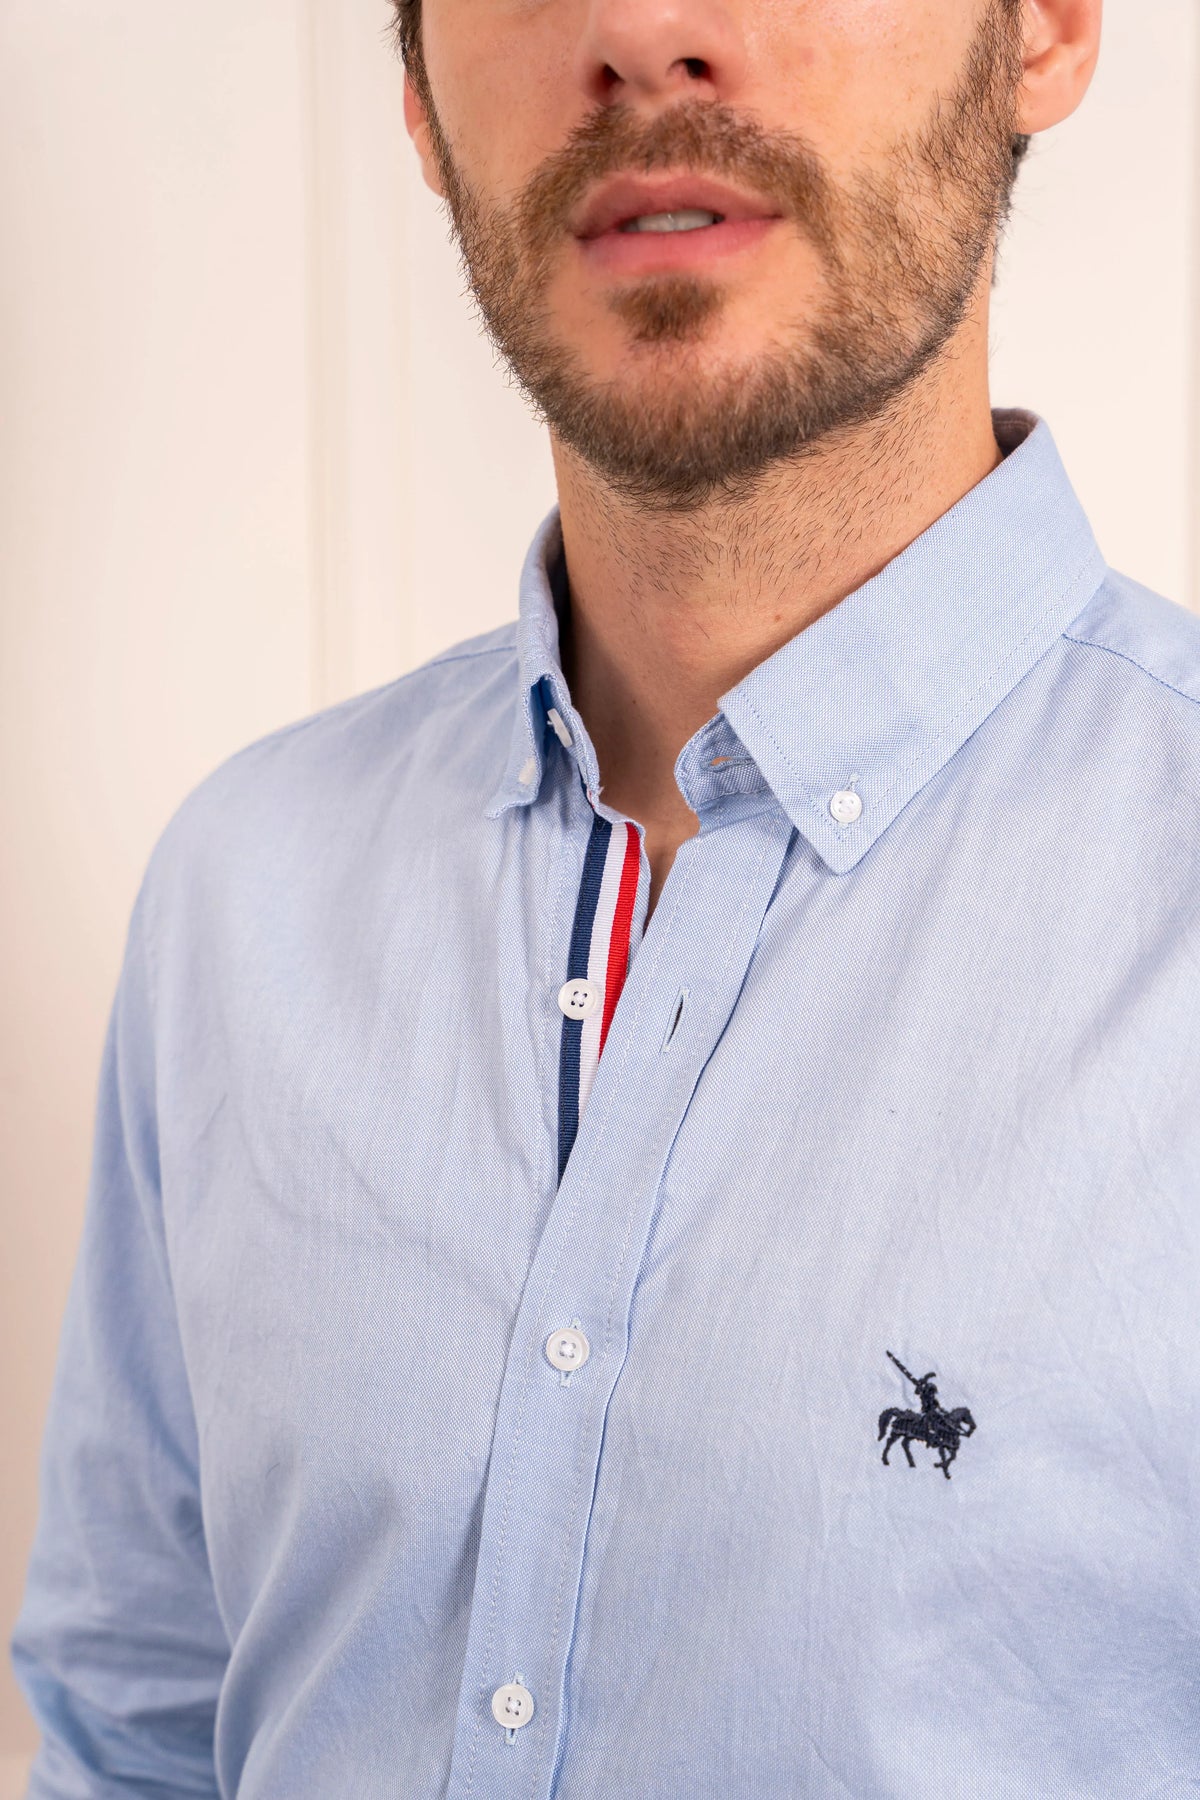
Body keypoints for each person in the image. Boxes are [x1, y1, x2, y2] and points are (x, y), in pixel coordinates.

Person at [13, 0, 1199, 1793]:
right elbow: (138, 1737)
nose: (643, 29)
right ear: (420, 97)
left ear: (1042, 29)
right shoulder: (242, 901)